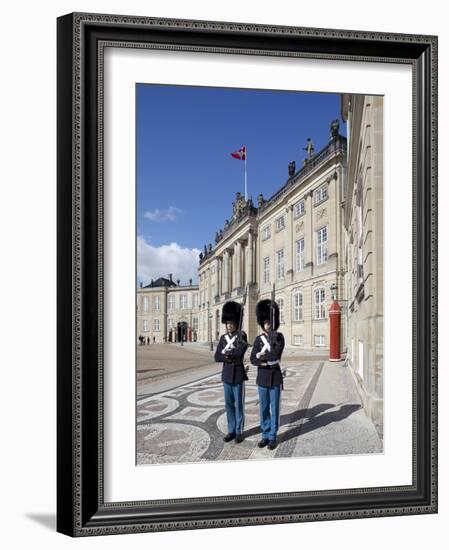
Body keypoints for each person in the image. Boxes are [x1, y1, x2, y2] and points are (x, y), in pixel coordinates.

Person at [250, 299, 285, 450]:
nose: (268, 325)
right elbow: (252, 359)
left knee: (274, 408)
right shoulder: (258, 339)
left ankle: (272, 436)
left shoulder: (279, 337)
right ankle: (264, 434)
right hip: (263, 377)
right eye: (265, 322)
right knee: (263, 408)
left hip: (275, 377)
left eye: (270, 322)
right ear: (262, 323)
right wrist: (263, 360)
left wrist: (262, 357)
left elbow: (276, 355)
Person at [214, 301, 248, 444]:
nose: (229, 325)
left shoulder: (242, 336)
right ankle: (231, 430)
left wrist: (227, 354)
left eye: (231, 322)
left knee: (239, 405)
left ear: (236, 323)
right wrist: (228, 355)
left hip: (238, 375)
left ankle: (239, 431)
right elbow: (217, 356)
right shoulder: (223, 338)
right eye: (227, 323)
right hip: (227, 375)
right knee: (228, 405)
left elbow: (240, 352)